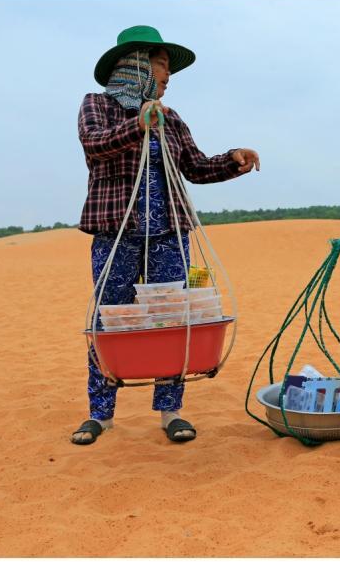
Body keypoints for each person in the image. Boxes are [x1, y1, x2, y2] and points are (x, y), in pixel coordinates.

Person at [71, 25, 260, 445]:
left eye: (168, 68)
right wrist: (139, 126)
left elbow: (194, 167)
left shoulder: (171, 119)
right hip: (116, 232)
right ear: (135, 66)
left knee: (173, 320)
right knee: (108, 319)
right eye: (160, 64)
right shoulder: (96, 106)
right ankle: (100, 414)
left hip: (168, 234)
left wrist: (233, 160)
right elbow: (95, 144)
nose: (167, 75)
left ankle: (171, 411)